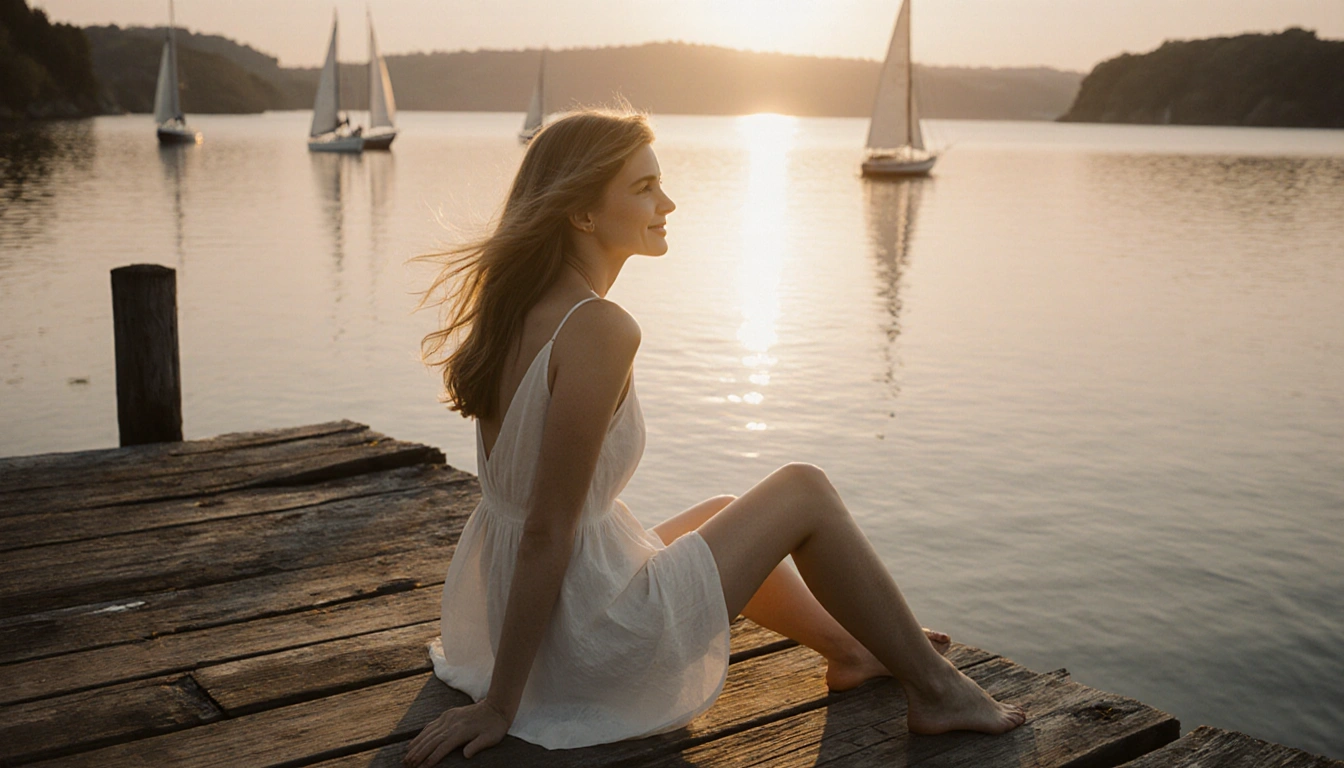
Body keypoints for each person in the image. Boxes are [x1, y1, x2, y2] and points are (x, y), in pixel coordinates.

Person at [406, 109, 1025, 766]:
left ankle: (853, 651)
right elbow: (547, 532)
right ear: (583, 214)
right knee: (802, 490)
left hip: (524, 619)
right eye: (644, 187)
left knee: (725, 515)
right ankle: (938, 692)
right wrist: (503, 705)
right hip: (582, 646)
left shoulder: (517, 310)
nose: (667, 202)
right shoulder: (598, 328)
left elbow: (537, 522)